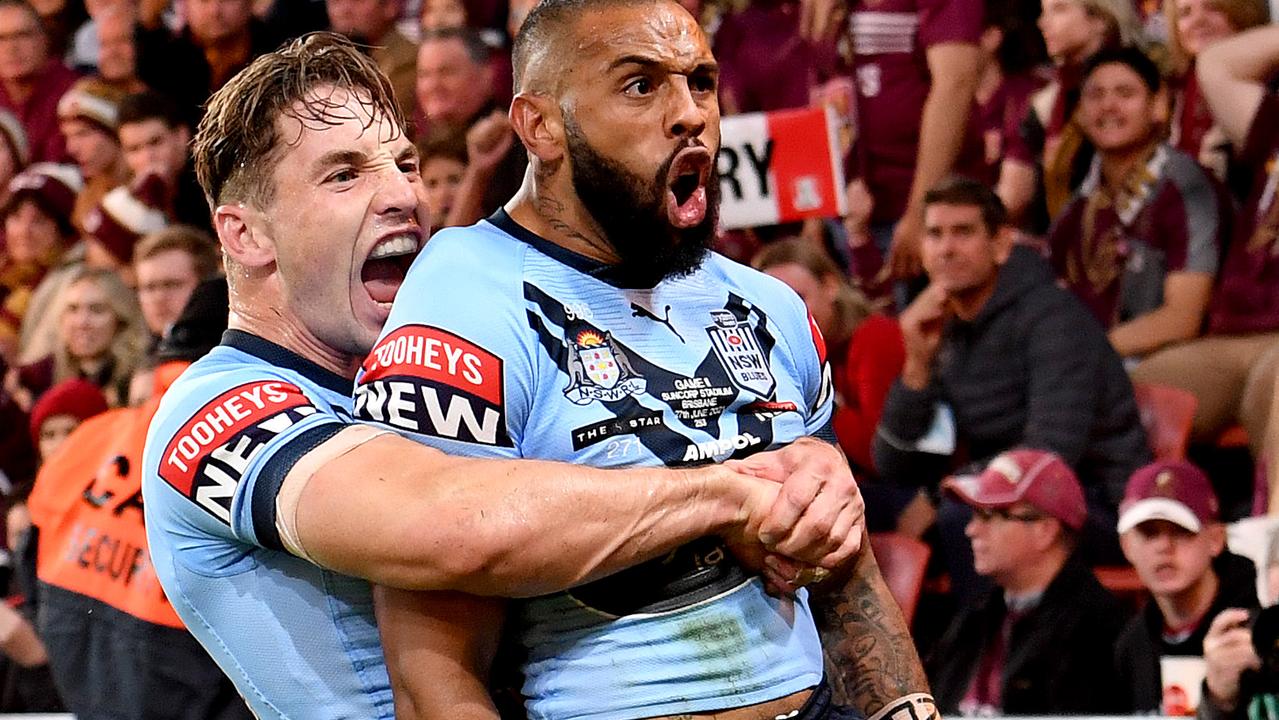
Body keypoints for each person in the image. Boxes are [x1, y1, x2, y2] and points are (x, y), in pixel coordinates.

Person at [141, 32, 870, 719]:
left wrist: (795, 468)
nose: (402, 196)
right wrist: (733, 490)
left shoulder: (469, 362)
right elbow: (452, 524)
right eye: (343, 175)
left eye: (404, 164)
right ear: (245, 232)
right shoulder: (215, 411)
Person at [366, 2, 927, 717]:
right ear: (540, 126)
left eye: (700, 82)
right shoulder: (465, 299)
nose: (689, 113)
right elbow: (432, 669)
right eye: (640, 85)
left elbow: (844, 577)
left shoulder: (769, 307)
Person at [873, 175, 1151, 597]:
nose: (947, 248)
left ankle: (991, 657)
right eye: (934, 234)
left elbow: (1052, 449)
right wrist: (917, 364)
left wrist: (938, 495)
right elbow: (893, 465)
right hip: (1000, 491)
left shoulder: (1054, 319)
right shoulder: (943, 321)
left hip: (1092, 500)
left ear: (1001, 244)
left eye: (963, 232)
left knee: (960, 520)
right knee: (865, 507)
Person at [1142, 25, 1279, 512]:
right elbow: (1217, 63)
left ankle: (1273, 555)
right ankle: (1122, 528)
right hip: (1227, 337)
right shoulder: (1273, 123)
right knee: (1124, 392)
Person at [1047, 46, 1228, 361]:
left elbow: (1183, 319)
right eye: (1095, 95)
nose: (1108, 106)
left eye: (1125, 93)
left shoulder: (1185, 187)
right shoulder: (1084, 201)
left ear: (1159, 106)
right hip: (1094, 363)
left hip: (1171, 363)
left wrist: (1086, 354)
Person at [927, 448, 1127, 714]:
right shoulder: (975, 618)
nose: (971, 529)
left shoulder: (1096, 632)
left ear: (1044, 530)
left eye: (988, 515)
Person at [753, 238, 907, 526]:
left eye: (797, 299)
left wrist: (820, 400)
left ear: (831, 286)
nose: (785, 316)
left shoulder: (874, 338)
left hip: (901, 492)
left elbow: (879, 456)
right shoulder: (786, 356)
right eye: (770, 307)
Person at [1113, 459, 1259, 713]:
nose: (1163, 547)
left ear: (1215, 539)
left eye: (1180, 531)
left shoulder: (1259, 622)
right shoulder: (1130, 646)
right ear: (1126, 546)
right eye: (1148, 533)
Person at [998, 0, 1140, 232]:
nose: (1043, 23)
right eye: (1043, 12)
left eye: (1060, 9)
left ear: (1100, 20)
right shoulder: (1047, 101)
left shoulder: (1135, 90)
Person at [414, 26, 523, 226]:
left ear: (486, 75)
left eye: (446, 72)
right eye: (424, 75)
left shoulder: (513, 140)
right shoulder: (421, 141)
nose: (433, 85)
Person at [8, 265, 145, 409]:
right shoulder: (35, 380)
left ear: (120, 319)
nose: (82, 322)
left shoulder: (138, 379)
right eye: (73, 309)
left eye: (96, 310)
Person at [1163, 0, 1267, 182]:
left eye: (1213, 7)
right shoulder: (1169, 93)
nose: (1198, 21)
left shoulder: (1268, 85)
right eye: (1185, 13)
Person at [117, 91, 209, 231]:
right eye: (134, 149)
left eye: (155, 142)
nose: (147, 157)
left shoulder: (211, 182)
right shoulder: (129, 193)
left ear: (181, 136)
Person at [0, 0, 76, 164]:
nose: (11, 48)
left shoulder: (73, 92)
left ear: (44, 39)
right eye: (1, 39)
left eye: (22, 35)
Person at [56, 78, 128, 234]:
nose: (71, 148)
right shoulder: (85, 202)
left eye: (83, 134)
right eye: (67, 137)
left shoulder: (148, 191)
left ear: (116, 134)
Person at [325, 0, 415, 118]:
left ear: (390, 5)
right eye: (336, 2)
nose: (344, 11)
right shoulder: (319, 54)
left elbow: (383, 119)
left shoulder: (408, 60)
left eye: (357, 2)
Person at [132, 225, 220, 340]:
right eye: (149, 288)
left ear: (207, 287)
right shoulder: (136, 354)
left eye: (172, 285)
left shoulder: (230, 353)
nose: (159, 298)